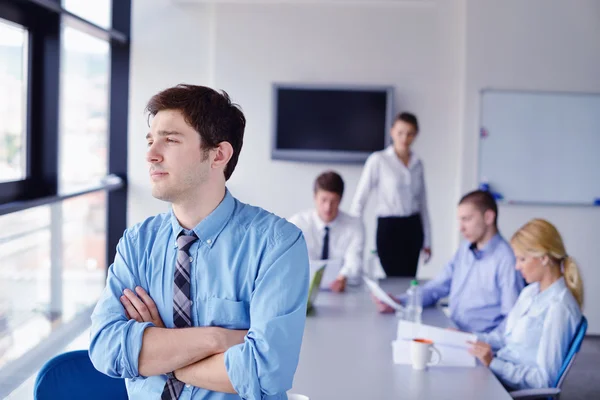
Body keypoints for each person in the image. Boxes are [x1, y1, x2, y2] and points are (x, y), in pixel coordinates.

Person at [89, 84, 310, 400]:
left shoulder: (277, 245)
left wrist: (162, 350)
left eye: (171, 140)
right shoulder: (137, 243)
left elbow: (265, 371)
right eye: (151, 140)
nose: (151, 154)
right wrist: (218, 339)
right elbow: (105, 349)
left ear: (218, 154)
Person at [373, 190, 525, 333]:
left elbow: (511, 321)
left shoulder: (507, 259)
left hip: (480, 344)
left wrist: (479, 339)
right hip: (454, 331)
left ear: (488, 218)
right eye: (460, 220)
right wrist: (400, 302)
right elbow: (437, 287)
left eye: (466, 219)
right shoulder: (465, 249)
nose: (461, 228)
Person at [468, 219, 583, 390]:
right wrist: (467, 339)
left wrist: (494, 363)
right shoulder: (530, 292)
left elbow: (543, 381)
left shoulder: (559, 308)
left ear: (543, 258)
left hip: (508, 387)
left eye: (522, 259)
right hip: (498, 375)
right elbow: (505, 339)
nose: (516, 266)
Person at [350, 112, 431, 277]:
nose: (404, 138)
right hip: (389, 228)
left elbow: (423, 204)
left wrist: (428, 240)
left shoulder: (418, 164)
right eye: (400, 133)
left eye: (410, 134)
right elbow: (360, 199)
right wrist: (353, 236)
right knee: (392, 279)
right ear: (392, 131)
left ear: (415, 135)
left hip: (413, 227)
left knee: (409, 279)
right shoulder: (378, 160)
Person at [289, 171, 365, 292]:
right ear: (315, 197)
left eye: (334, 201)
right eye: (323, 200)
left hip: (342, 292)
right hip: (302, 291)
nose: (328, 207)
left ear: (340, 200)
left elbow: (354, 261)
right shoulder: (298, 223)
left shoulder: (354, 226)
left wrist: (343, 277)